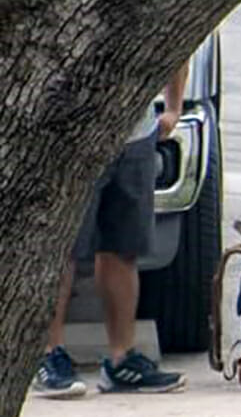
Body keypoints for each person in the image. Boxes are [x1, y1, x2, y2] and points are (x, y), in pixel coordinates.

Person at [33, 65, 190, 397]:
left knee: (123, 247)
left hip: (136, 133)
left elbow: (176, 42)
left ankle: (121, 359)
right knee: (61, 246)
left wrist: (174, 106)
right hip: (70, 132)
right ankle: (47, 355)